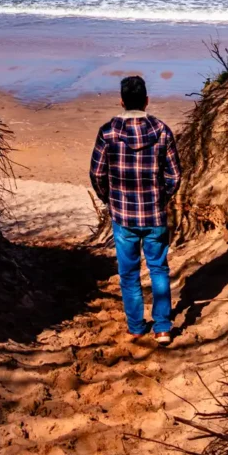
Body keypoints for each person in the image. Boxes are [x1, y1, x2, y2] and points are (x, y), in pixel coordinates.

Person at [89, 75, 181, 345]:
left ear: (121, 101)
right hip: (154, 213)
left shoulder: (108, 132)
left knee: (129, 273)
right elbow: (174, 175)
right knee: (158, 269)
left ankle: (137, 326)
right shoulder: (162, 130)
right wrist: (162, 197)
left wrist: (109, 199)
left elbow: (97, 174)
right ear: (146, 100)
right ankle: (162, 328)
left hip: (123, 214)